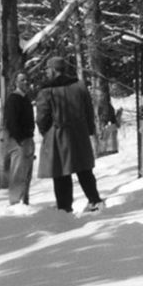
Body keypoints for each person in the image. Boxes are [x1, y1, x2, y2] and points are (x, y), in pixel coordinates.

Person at [35, 55, 104, 214]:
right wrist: (89, 130)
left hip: (58, 136)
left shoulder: (47, 90)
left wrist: (45, 131)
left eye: (47, 69)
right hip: (79, 134)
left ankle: (65, 208)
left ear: (53, 70)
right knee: (84, 170)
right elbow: (88, 110)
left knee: (61, 174)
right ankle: (94, 200)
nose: (46, 73)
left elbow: (42, 116)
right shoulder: (79, 86)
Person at [2, 71, 35, 206]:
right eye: (22, 80)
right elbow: (11, 122)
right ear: (15, 82)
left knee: (27, 173)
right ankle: (15, 203)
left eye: (26, 80)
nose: (25, 82)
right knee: (17, 174)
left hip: (28, 140)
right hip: (18, 142)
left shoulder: (26, 98)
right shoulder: (13, 99)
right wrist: (19, 139)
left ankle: (24, 201)